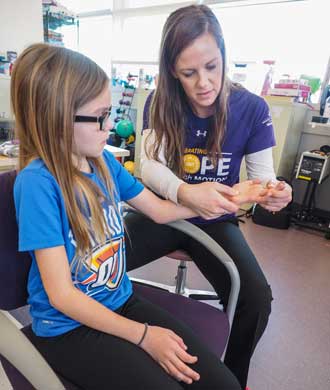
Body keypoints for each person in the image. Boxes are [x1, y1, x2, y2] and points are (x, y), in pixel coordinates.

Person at [12, 43, 243, 390]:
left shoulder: (102, 161)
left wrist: (209, 199)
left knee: (221, 383)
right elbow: (61, 295)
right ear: (58, 119)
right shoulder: (37, 184)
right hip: (67, 328)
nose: (112, 125)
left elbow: (160, 210)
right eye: (102, 116)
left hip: (120, 301)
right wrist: (144, 336)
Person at [124, 4, 292, 390]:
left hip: (216, 223)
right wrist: (186, 192)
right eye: (189, 72)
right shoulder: (159, 100)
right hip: (163, 213)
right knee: (100, 265)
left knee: (256, 298)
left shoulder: (251, 108)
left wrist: (275, 193)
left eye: (212, 67)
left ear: (224, 56)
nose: (204, 83)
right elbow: (148, 166)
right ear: (172, 71)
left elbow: (262, 180)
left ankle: (233, 380)